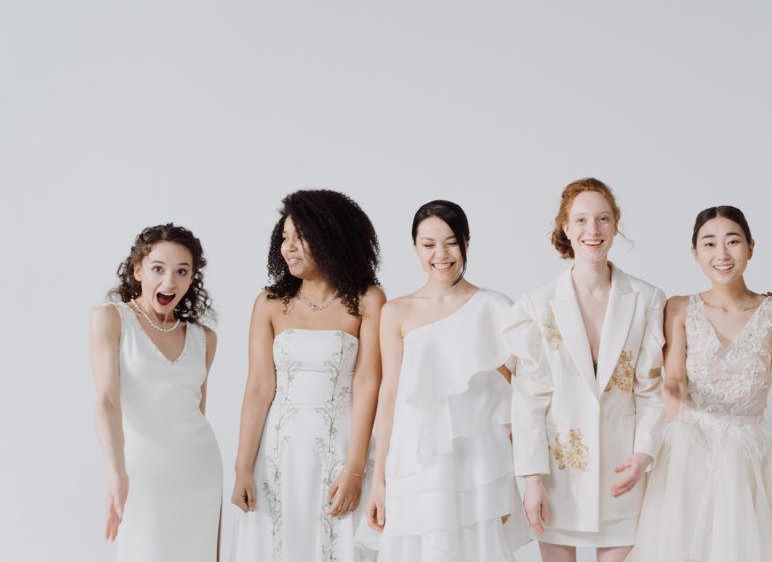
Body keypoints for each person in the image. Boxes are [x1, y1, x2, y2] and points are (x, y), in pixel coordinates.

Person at [626, 206, 772, 562]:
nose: (721, 254)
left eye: (732, 241)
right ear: (695, 254)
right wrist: (672, 388)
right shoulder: (678, 307)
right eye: (709, 244)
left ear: (751, 248)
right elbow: (673, 374)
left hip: (751, 453)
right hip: (688, 450)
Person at [501, 178, 666, 562]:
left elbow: (650, 391)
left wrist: (644, 455)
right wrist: (531, 480)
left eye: (603, 219)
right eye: (581, 220)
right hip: (559, 476)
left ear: (615, 224)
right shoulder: (537, 305)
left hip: (623, 473)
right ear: (566, 228)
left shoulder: (646, 299)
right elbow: (528, 400)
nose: (593, 230)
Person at [358, 200, 530, 561]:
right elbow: (390, 395)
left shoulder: (496, 307)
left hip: (478, 461)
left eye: (451, 242)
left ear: (467, 241)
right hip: (416, 460)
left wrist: (507, 478)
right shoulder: (397, 311)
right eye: (428, 244)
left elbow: (515, 398)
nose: (441, 254)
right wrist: (378, 480)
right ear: (415, 247)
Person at [231, 190, 385, 561]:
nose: (289, 247)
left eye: (301, 237)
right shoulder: (268, 303)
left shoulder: (368, 300)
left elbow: (368, 385)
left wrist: (354, 469)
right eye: (284, 238)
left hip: (342, 449)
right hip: (277, 452)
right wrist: (242, 468)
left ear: (333, 237)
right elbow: (258, 388)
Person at [90, 223, 223, 560]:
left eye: (182, 271)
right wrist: (115, 471)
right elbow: (107, 401)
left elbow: (197, 410)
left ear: (192, 277)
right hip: (142, 474)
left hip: (200, 472)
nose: (169, 282)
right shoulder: (111, 319)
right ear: (137, 270)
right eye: (158, 269)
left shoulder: (204, 338)